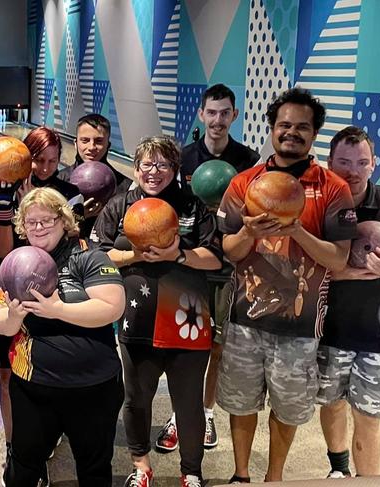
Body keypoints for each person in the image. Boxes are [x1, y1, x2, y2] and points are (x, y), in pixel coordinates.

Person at [216, 88, 357, 483]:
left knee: (287, 408)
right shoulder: (245, 183)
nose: (291, 133)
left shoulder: (332, 188)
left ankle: (273, 478)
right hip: (245, 320)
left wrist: (298, 231)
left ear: (314, 134)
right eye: (284, 125)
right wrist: (247, 233)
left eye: (302, 127)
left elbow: (338, 258)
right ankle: (241, 474)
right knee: (241, 403)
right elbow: (229, 249)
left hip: (299, 327)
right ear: (272, 129)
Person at [91, 136, 222, 487]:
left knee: (189, 402)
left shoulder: (192, 207)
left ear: (175, 171)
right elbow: (97, 255)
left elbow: (215, 257)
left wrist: (177, 256)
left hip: (188, 321)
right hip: (137, 321)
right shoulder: (119, 206)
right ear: (135, 169)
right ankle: (141, 466)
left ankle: (191, 472)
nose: (154, 172)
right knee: (137, 400)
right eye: (147, 164)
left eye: (163, 164)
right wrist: (133, 255)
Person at [0, 187, 125, 487]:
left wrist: (58, 310)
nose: (38, 228)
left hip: (93, 388)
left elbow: (112, 306)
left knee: (94, 469)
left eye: (47, 220)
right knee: (23, 469)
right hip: (34, 389)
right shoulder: (18, 264)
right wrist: (14, 316)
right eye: (30, 222)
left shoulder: (88, 258)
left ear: (64, 221)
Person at [157, 84, 261, 453]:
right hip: (189, 263)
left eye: (224, 113)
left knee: (217, 345)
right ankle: (176, 414)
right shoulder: (183, 158)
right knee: (181, 343)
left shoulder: (249, 160)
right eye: (211, 113)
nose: (217, 120)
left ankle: (206, 412)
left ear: (234, 115)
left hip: (229, 266)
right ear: (201, 115)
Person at [0, 126, 83, 471]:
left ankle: (44, 439)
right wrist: (10, 204)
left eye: (52, 161)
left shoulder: (70, 193)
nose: (44, 169)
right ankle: (15, 447)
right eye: (37, 160)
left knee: (43, 370)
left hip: (54, 293)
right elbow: (2, 252)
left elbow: (75, 246)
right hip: (10, 288)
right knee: (7, 375)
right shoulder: (3, 188)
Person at [318, 126, 380, 478]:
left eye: (362, 162)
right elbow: (297, 264)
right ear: (329, 163)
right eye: (344, 162)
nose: (353, 170)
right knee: (331, 404)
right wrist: (337, 273)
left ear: (374, 164)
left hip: (379, 337)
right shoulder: (320, 207)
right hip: (329, 331)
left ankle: (368, 483)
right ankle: (339, 469)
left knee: (368, 415)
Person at [58, 114, 133, 236]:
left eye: (98, 141)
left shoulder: (125, 186)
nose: (91, 147)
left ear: (108, 145)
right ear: (76, 143)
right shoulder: (60, 181)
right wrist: (79, 216)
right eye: (85, 140)